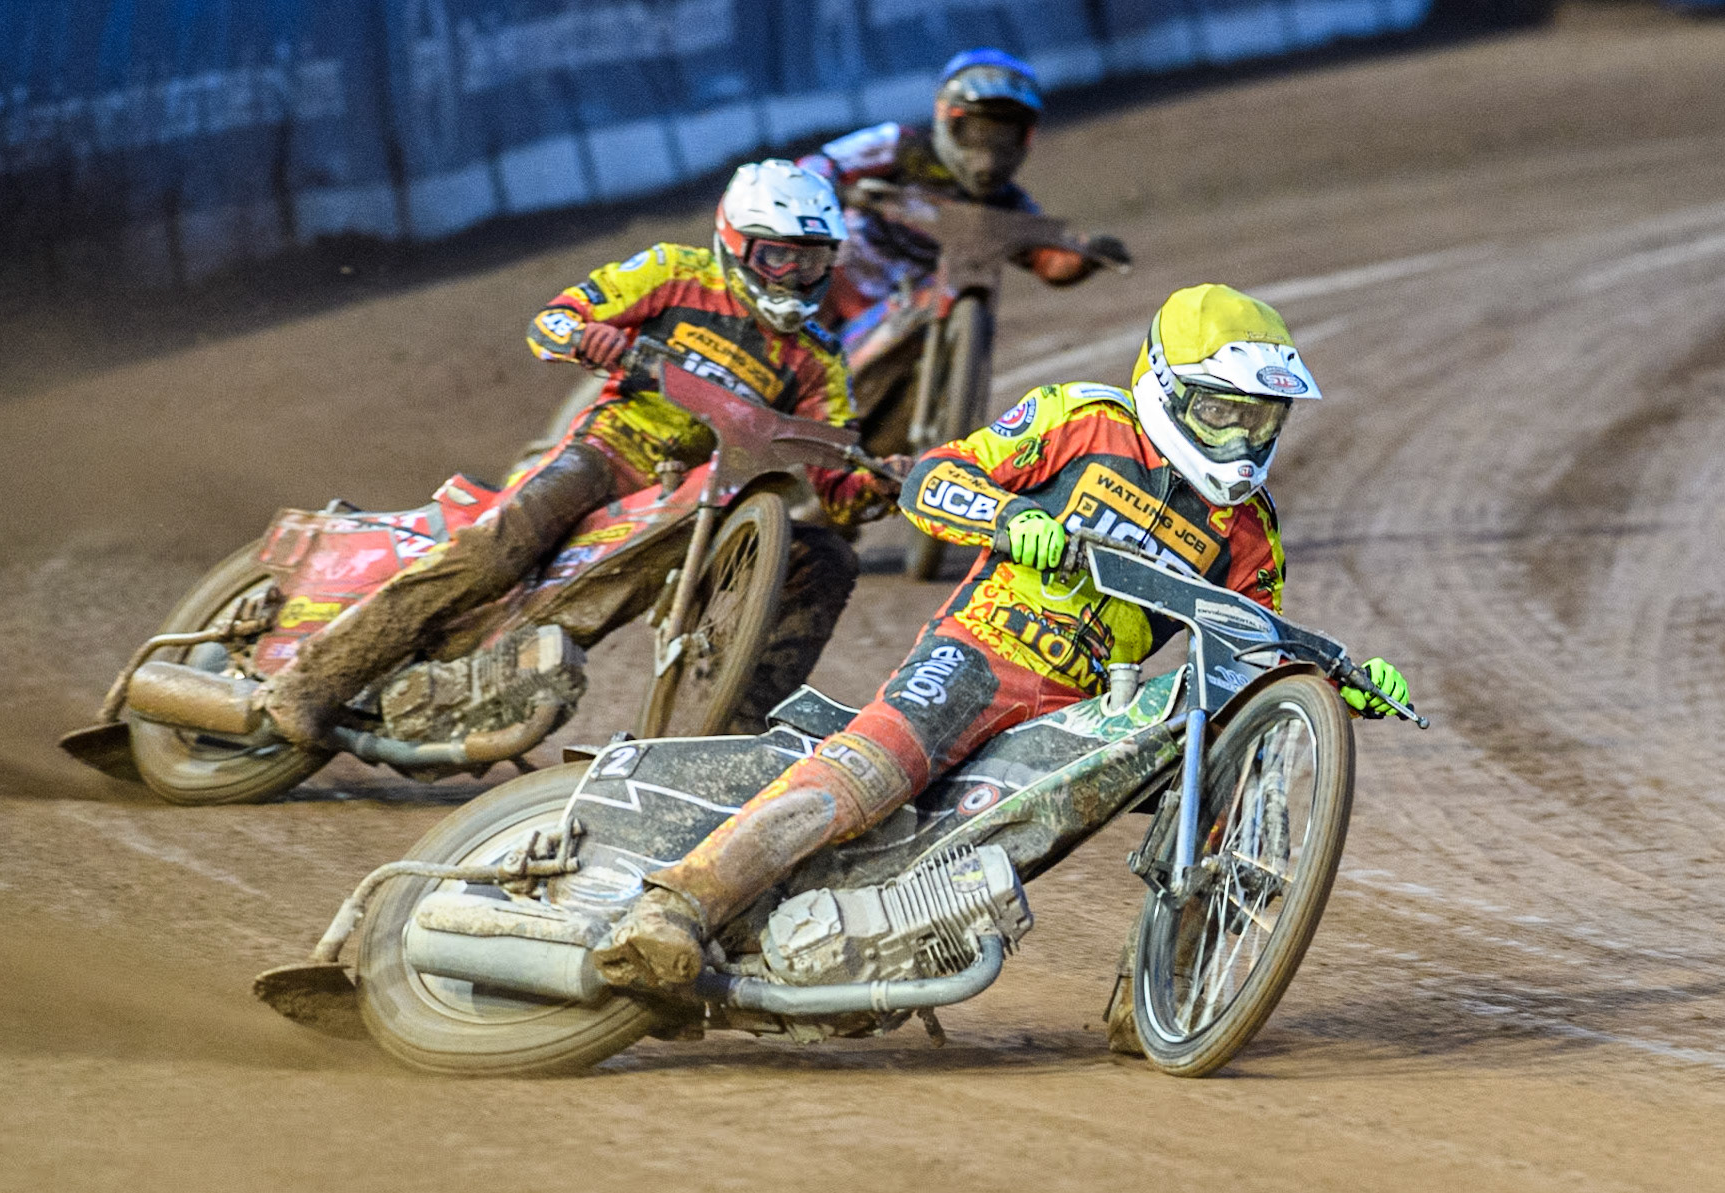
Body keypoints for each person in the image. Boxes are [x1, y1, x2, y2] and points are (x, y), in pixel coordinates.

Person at [592, 282, 1413, 991]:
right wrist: (1011, 516)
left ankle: (1174, 988)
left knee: (1237, 765)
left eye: (1260, 418)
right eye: (1220, 411)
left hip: (1090, 712)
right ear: (1165, 386)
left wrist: (1331, 677)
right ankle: (675, 905)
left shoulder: (1250, 534)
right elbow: (932, 477)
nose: (1239, 439)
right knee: (872, 772)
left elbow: (1251, 648)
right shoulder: (1080, 421)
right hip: (981, 650)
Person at [258, 160, 903, 745]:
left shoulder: (820, 359)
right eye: (777, 259)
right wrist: (590, 338)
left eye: (813, 261)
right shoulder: (673, 273)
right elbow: (556, 319)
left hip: (717, 500)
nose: (795, 278)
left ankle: (736, 730)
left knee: (826, 558)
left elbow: (834, 485)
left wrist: (882, 485)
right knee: (505, 542)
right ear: (735, 245)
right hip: (611, 451)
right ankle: (313, 680)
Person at [798, 47, 1129, 331]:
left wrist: (1088, 256)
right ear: (946, 116)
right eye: (977, 131)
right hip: (840, 285)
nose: (987, 150)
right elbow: (819, 165)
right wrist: (828, 192)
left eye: (1002, 136)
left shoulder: (1005, 202)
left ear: (1023, 139)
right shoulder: (899, 146)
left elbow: (1048, 260)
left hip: (915, 315)